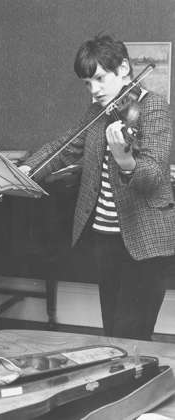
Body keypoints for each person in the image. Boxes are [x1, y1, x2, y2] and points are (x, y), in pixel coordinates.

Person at [19, 34, 175, 340]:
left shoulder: (154, 108)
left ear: (124, 69)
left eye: (100, 79)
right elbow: (62, 147)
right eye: (88, 83)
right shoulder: (98, 113)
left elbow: (154, 176)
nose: (94, 91)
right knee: (112, 334)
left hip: (144, 242)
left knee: (130, 337)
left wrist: (126, 160)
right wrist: (26, 169)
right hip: (106, 240)